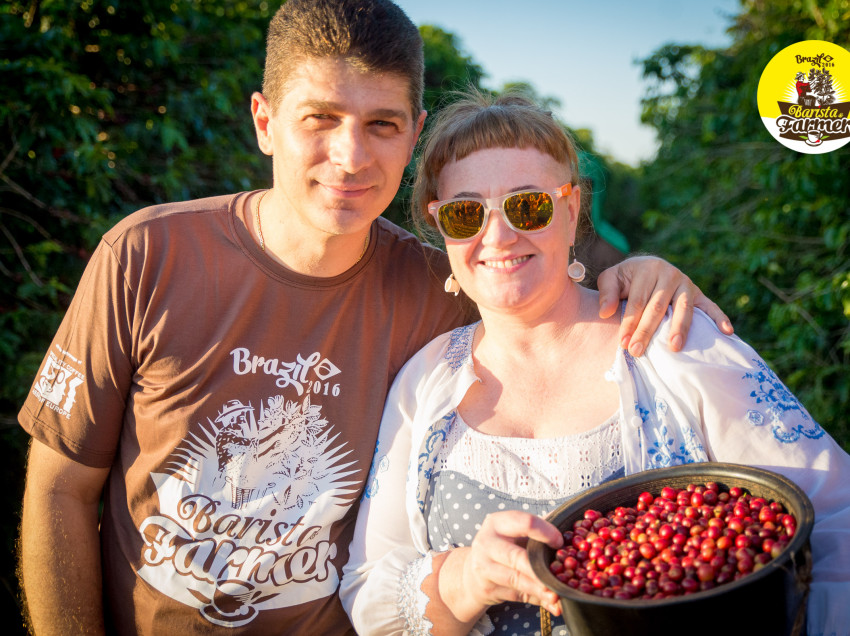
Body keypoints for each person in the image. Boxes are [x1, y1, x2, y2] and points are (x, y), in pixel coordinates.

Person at [16, 2, 732, 635]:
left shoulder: (437, 287)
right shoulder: (147, 255)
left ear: (413, 132)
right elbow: (60, 486)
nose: (351, 157)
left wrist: (633, 275)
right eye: (319, 119)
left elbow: (532, 281)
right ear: (265, 121)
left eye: (381, 125)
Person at [339, 90, 850, 636]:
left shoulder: (669, 337)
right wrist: (464, 579)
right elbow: (368, 589)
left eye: (527, 204)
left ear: (571, 207)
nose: (499, 234)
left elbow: (836, 522)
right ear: (441, 225)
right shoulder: (424, 383)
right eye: (466, 213)